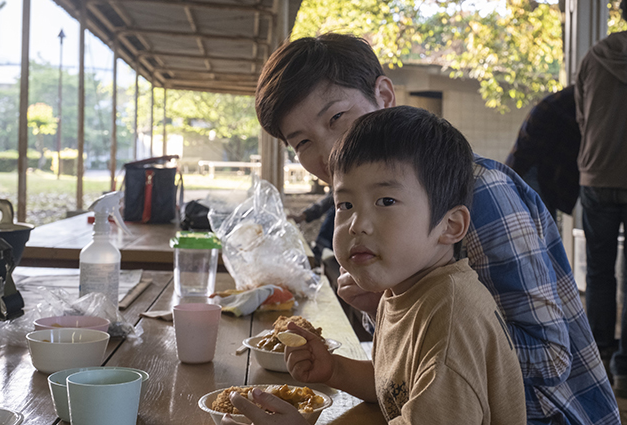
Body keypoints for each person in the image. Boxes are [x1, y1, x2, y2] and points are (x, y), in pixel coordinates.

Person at [254, 33, 619, 423]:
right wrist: (382, 310)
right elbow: (412, 376)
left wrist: (412, 320)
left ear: (384, 95)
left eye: (337, 118)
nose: (327, 150)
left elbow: (548, 361)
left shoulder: (480, 195)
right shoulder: (370, 215)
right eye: (304, 142)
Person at [225, 105, 527, 424]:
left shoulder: (450, 319)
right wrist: (334, 368)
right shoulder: (405, 291)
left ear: (450, 225)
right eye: (345, 204)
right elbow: (396, 386)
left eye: (385, 201)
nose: (357, 224)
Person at [575, 0, 627, 397]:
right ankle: (625, 368)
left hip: (595, 174)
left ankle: (598, 363)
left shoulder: (594, 56)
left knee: (598, 274)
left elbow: (582, 116)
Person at [505, 85, 581, 221]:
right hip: (533, 169)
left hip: (526, 167)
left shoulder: (562, 101)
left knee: (541, 233)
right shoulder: (578, 103)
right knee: (541, 233)